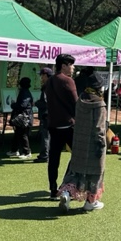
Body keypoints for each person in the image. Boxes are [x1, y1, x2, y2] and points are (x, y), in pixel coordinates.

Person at [58, 68, 107, 212]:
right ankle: (90, 202)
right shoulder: (99, 105)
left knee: (75, 171)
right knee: (95, 174)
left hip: (79, 143)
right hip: (93, 146)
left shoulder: (80, 101)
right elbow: (99, 128)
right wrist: (101, 144)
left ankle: (66, 193)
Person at [45, 53, 78, 200]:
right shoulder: (67, 81)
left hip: (53, 124)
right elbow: (76, 103)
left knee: (54, 157)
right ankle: (67, 185)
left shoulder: (50, 81)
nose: (73, 67)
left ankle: (53, 186)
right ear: (64, 65)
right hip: (68, 124)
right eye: (71, 65)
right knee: (78, 156)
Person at [6, 77, 34, 159]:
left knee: (22, 134)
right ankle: (14, 150)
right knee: (18, 133)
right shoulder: (26, 92)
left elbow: (22, 105)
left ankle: (27, 152)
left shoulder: (24, 92)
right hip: (25, 116)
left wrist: (13, 105)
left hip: (24, 116)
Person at [33, 67, 53, 163]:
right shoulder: (54, 84)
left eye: (42, 75)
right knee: (48, 136)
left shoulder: (47, 86)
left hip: (46, 114)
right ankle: (46, 154)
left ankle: (44, 155)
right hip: (52, 114)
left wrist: (36, 103)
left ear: (45, 75)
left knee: (45, 136)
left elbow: (45, 102)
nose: (41, 77)